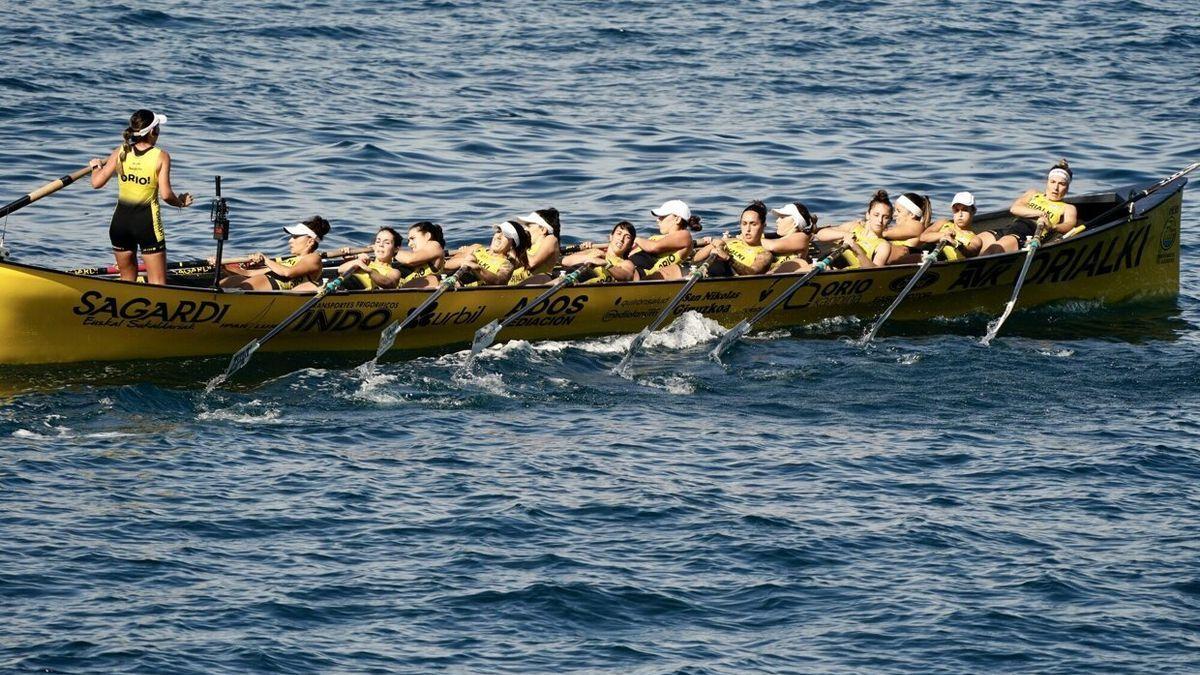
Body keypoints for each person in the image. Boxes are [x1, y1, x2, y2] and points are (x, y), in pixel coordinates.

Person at [88, 109, 193, 285]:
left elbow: (96, 183)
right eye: (158, 128)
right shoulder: (161, 156)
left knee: (127, 282)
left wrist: (95, 167)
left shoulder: (121, 151)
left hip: (120, 225)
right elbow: (166, 195)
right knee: (158, 284)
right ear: (153, 131)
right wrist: (181, 202)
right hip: (147, 225)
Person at [977, 159, 1079, 255]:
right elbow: (1015, 209)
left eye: (1061, 184)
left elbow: (1069, 225)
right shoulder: (1033, 193)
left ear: (1067, 187)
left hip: (1028, 235)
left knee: (994, 249)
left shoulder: (1068, 207)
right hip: (1010, 228)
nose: (1056, 188)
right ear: (1047, 182)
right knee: (976, 242)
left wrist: (1052, 226)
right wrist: (1039, 213)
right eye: (1052, 182)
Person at [219, 216, 330, 291]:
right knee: (226, 283)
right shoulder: (287, 260)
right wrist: (223, 266)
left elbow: (287, 273)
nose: (290, 241)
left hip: (278, 289)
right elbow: (248, 274)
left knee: (243, 286)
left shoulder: (314, 258)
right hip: (264, 282)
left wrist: (266, 260)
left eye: (295, 237)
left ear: (310, 241)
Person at [297, 226, 402, 292]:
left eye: (387, 243)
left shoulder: (394, 271)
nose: (381, 245)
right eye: (378, 241)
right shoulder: (365, 260)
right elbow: (341, 269)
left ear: (396, 249)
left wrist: (368, 269)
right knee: (304, 287)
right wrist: (357, 262)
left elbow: (389, 284)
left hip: (356, 288)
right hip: (338, 282)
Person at [813, 190, 893, 269]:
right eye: (876, 215)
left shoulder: (883, 246)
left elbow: (875, 272)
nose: (880, 220)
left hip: (843, 272)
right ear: (868, 215)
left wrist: (857, 250)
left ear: (889, 220)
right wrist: (844, 235)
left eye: (885, 217)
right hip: (825, 261)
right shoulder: (853, 226)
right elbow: (820, 234)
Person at [692, 200, 773, 276]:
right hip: (701, 272)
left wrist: (728, 258)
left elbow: (753, 272)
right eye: (744, 224)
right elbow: (695, 260)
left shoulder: (764, 254)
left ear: (763, 226)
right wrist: (712, 245)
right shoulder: (730, 241)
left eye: (753, 224)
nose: (748, 229)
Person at [630, 199, 702, 279]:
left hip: (641, 273)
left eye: (662, 216)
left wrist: (635, 239)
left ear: (677, 219)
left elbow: (653, 247)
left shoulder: (684, 235)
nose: (658, 220)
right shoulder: (658, 237)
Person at [443, 220, 530, 286]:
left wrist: (477, 268)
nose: (499, 236)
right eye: (499, 231)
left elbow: (499, 282)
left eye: (506, 235)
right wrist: (462, 261)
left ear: (512, 244)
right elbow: (444, 266)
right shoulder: (476, 248)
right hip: (445, 281)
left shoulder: (506, 265)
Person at [562, 220, 640, 283]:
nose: (621, 239)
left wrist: (606, 264)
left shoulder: (625, 263)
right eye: (619, 234)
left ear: (630, 245)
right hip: (569, 274)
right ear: (611, 237)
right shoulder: (594, 251)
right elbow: (565, 261)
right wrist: (589, 257)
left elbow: (626, 275)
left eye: (627, 237)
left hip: (589, 279)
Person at [917, 192, 983, 261]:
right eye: (956, 210)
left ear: (973, 211)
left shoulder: (976, 239)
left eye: (965, 210)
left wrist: (955, 243)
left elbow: (970, 252)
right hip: (926, 254)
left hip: (946, 262)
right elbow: (923, 237)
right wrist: (943, 235)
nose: (960, 215)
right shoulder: (942, 223)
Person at [510, 208, 562, 285]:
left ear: (543, 230)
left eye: (529, 226)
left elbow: (531, 263)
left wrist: (511, 251)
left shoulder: (551, 239)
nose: (525, 229)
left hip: (529, 287)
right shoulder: (526, 247)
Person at [764, 201, 818, 273]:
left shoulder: (802, 236)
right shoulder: (778, 239)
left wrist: (748, 238)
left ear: (795, 222)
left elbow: (773, 246)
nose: (777, 221)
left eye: (782, 217)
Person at [883, 192, 932, 263]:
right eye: (895, 210)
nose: (894, 214)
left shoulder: (917, 225)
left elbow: (884, 233)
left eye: (899, 211)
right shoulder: (903, 227)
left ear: (912, 214)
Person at [395, 221, 446, 288]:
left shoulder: (434, 245)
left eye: (412, 238)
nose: (409, 244)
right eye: (408, 241)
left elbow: (410, 259)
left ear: (427, 236)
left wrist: (391, 251)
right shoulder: (422, 257)